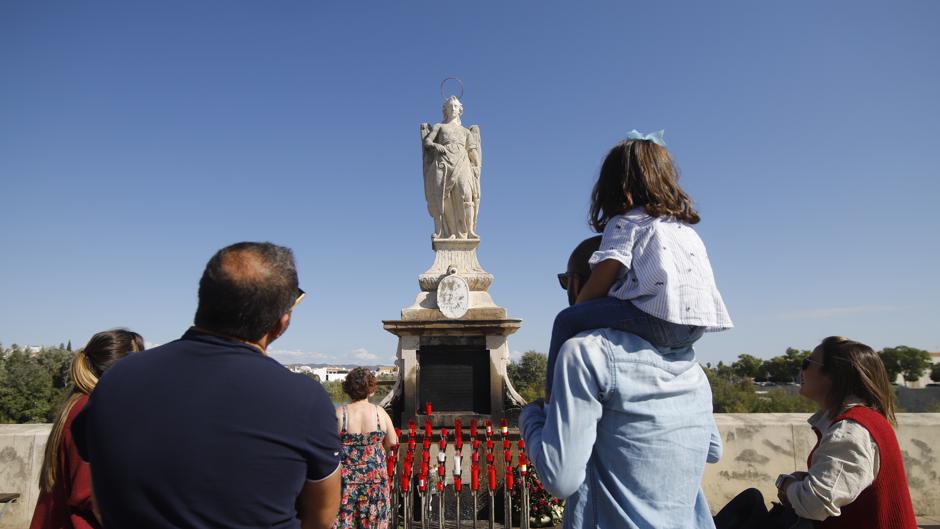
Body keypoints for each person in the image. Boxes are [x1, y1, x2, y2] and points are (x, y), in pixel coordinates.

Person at [72, 242, 341, 529]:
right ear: (280, 323)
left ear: (203, 299)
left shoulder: (117, 378)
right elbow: (321, 518)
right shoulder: (304, 399)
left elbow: (100, 498)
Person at [520, 236, 722, 529]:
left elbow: (559, 478)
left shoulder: (584, 352)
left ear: (578, 284)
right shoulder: (689, 365)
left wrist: (531, 418)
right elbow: (713, 449)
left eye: (567, 282)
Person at [545, 130, 732, 399]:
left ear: (614, 184)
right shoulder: (684, 229)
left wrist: (579, 307)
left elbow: (602, 278)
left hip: (658, 318)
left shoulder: (626, 222)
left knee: (566, 320)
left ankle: (553, 401)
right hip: (695, 326)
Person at [714, 337, 918, 529]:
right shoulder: (864, 421)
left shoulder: (851, 431)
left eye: (807, 363)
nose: (802, 370)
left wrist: (786, 484)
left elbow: (815, 502)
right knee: (750, 503)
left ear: (832, 376)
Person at [29, 329, 144, 529]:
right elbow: (94, 497)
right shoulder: (92, 411)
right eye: (139, 361)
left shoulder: (81, 404)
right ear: (120, 368)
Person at [333, 368, 398, 529]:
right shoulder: (380, 413)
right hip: (375, 482)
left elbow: (328, 446)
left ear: (348, 388)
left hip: (346, 483)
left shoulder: (340, 414)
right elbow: (393, 441)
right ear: (371, 388)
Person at [421, 95, 482, 239]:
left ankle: (468, 231)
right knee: (444, 196)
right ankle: (451, 232)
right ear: (446, 109)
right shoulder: (439, 126)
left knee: (466, 194)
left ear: (460, 109)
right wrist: (436, 145)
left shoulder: (466, 132)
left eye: (455, 106)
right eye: (450, 106)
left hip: (462, 161)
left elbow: (472, 151)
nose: (453, 109)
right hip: (443, 162)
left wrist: (477, 165)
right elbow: (427, 141)